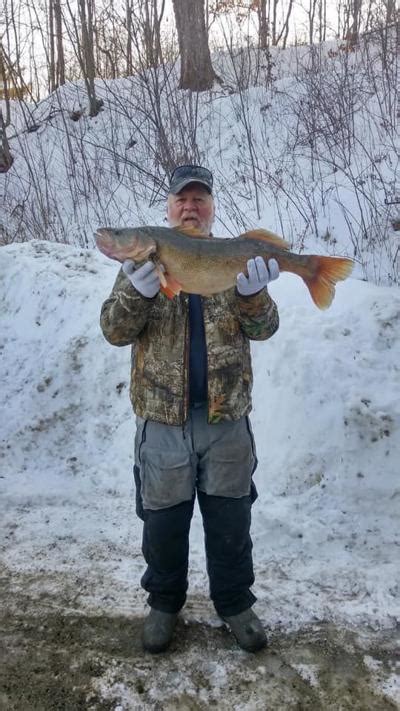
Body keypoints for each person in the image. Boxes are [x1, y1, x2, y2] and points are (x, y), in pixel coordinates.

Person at [100, 165, 280, 654]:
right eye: (182, 199)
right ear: (168, 208)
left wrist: (252, 294)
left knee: (230, 519)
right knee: (162, 521)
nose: (191, 207)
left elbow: (265, 330)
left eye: (200, 199)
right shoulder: (140, 265)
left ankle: (235, 603)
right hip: (161, 422)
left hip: (226, 420)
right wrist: (137, 296)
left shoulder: (236, 257)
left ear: (212, 207)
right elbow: (114, 331)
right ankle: (163, 603)